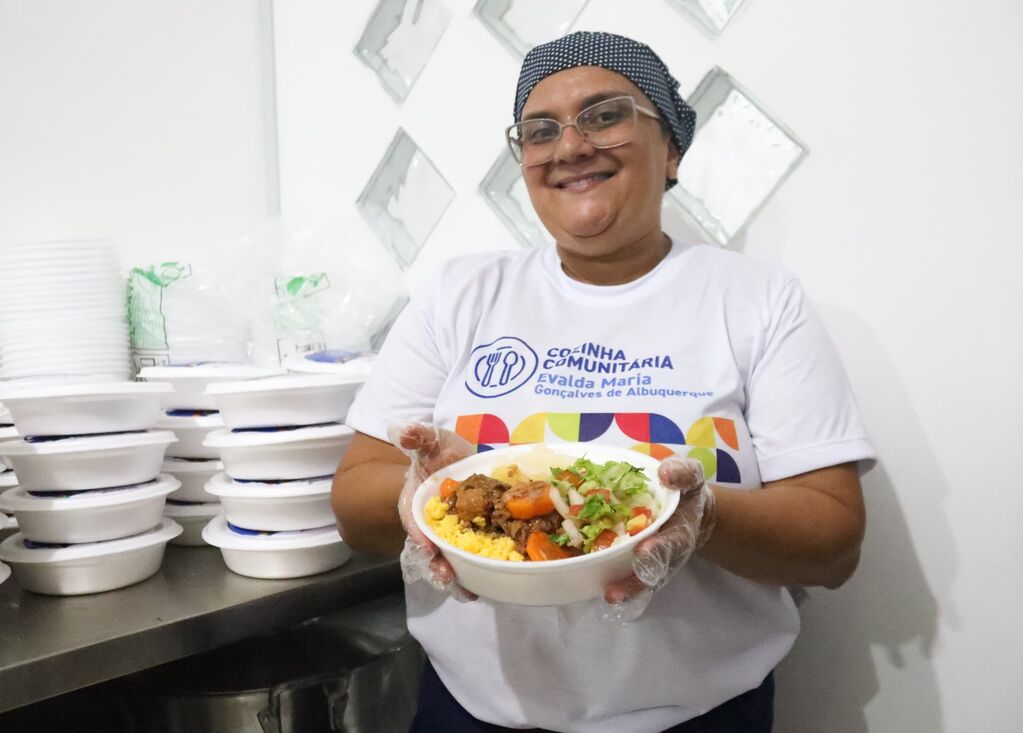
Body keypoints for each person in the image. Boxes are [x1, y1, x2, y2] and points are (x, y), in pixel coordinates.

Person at [333, 31, 875, 733]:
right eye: (540, 129)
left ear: (672, 147)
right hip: (473, 712)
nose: (569, 146)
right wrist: (425, 497)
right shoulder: (460, 294)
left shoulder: (755, 299)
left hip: (701, 717)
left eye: (605, 114)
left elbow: (834, 540)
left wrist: (704, 517)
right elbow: (353, 499)